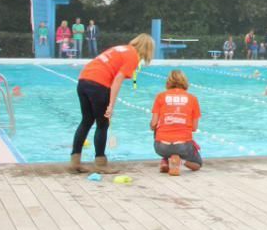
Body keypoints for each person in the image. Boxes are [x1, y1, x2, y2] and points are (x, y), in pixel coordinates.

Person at [70, 33, 155, 173]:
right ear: (148, 49)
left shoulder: (121, 49)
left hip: (83, 81)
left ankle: (75, 161)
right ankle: (100, 164)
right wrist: (111, 105)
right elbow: (117, 80)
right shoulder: (133, 56)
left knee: (86, 121)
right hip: (98, 84)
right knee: (102, 124)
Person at [151, 70, 202, 176]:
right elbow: (194, 128)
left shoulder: (160, 96)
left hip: (161, 147)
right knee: (198, 164)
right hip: (183, 146)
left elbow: (153, 124)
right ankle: (180, 161)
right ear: (185, 82)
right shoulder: (193, 99)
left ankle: (166, 160)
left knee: (160, 128)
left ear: (168, 82)